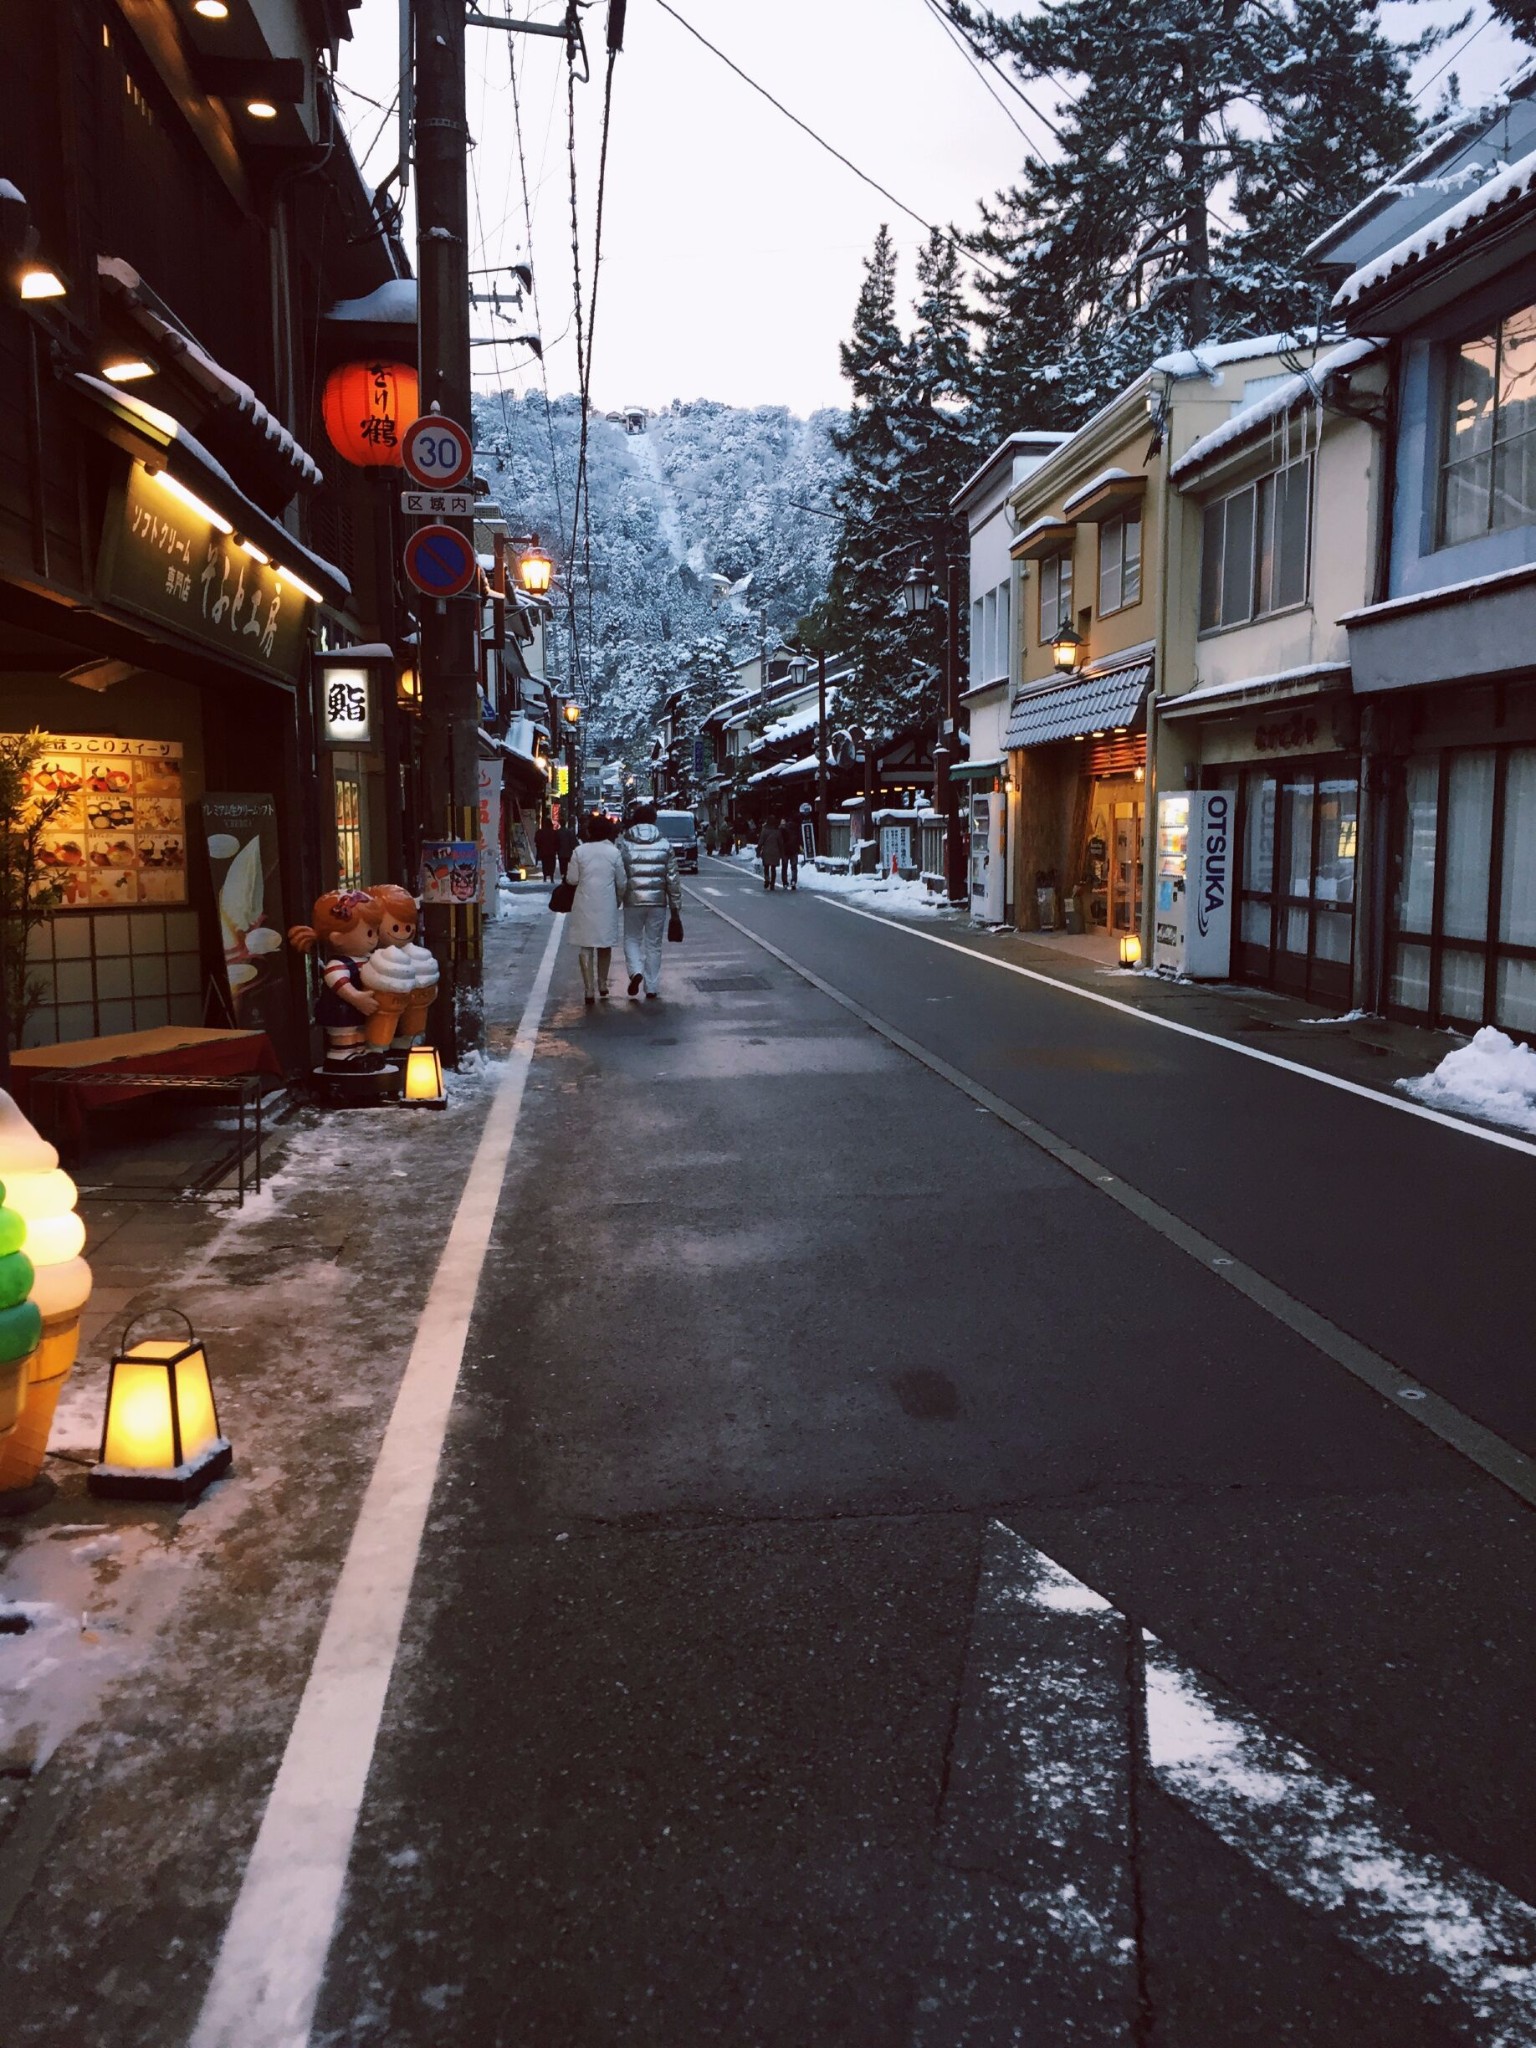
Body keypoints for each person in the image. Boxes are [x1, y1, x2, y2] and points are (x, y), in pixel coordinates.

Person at [620, 800, 682, 999]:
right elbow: (672, 878)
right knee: (654, 944)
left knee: (631, 938)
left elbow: (621, 875)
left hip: (633, 900)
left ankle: (636, 971)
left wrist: (618, 898)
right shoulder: (665, 844)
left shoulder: (625, 844)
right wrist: (675, 907)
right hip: (658, 902)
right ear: (654, 821)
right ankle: (652, 987)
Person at [564, 813, 626, 1005]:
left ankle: (588, 988)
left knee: (586, 945)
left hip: (584, 902)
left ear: (589, 831)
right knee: (604, 944)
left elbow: (572, 879)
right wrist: (618, 899)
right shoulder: (614, 852)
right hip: (607, 901)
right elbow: (622, 881)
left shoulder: (579, 851)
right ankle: (603, 984)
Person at [757, 815, 784, 890]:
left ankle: (766, 879)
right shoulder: (777, 831)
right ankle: (772, 884)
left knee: (766, 867)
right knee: (773, 868)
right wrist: (782, 853)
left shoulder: (764, 830)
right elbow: (780, 843)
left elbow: (761, 842)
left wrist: (758, 850)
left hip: (766, 851)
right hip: (775, 852)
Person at [534, 814, 559, 883]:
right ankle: (551, 877)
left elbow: (536, 840)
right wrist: (556, 849)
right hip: (552, 851)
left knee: (545, 864)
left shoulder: (540, 832)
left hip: (543, 851)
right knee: (551, 864)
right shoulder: (554, 832)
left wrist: (539, 847)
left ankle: (545, 877)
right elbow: (557, 841)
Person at [779, 814, 799, 892]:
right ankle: (793, 881)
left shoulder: (782, 829)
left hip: (785, 850)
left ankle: (785, 883)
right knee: (794, 867)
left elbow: (780, 839)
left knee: (784, 867)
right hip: (794, 850)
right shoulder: (796, 828)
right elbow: (799, 838)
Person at [555, 814, 579, 878]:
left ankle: (563, 875)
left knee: (562, 865)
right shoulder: (569, 832)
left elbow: (556, 842)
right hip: (568, 852)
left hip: (560, 851)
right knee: (567, 865)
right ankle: (566, 875)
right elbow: (573, 842)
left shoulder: (557, 832)